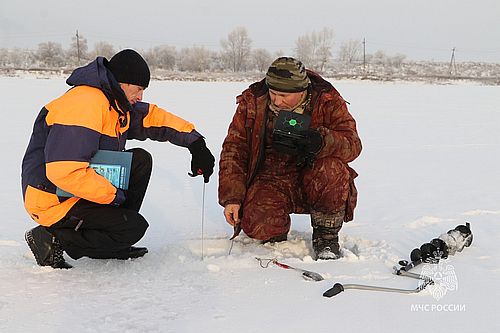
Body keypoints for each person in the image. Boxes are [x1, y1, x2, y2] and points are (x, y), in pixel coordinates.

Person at [22, 49, 215, 268]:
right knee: (133, 228)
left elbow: (152, 117)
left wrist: (196, 144)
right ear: (122, 82)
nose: (141, 96)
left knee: (140, 160)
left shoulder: (114, 102)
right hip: (52, 199)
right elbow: (65, 172)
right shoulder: (84, 104)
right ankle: (51, 238)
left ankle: (113, 240)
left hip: (73, 190)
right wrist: (113, 196)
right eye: (139, 89)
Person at [218, 57, 361, 260]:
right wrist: (232, 198)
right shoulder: (253, 102)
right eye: (273, 93)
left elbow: (353, 145)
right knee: (259, 224)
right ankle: (276, 232)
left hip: (313, 176)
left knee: (331, 169)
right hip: (271, 179)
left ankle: (326, 237)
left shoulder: (327, 99)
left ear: (302, 91)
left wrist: (322, 141)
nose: (277, 101)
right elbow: (234, 149)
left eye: (283, 95)